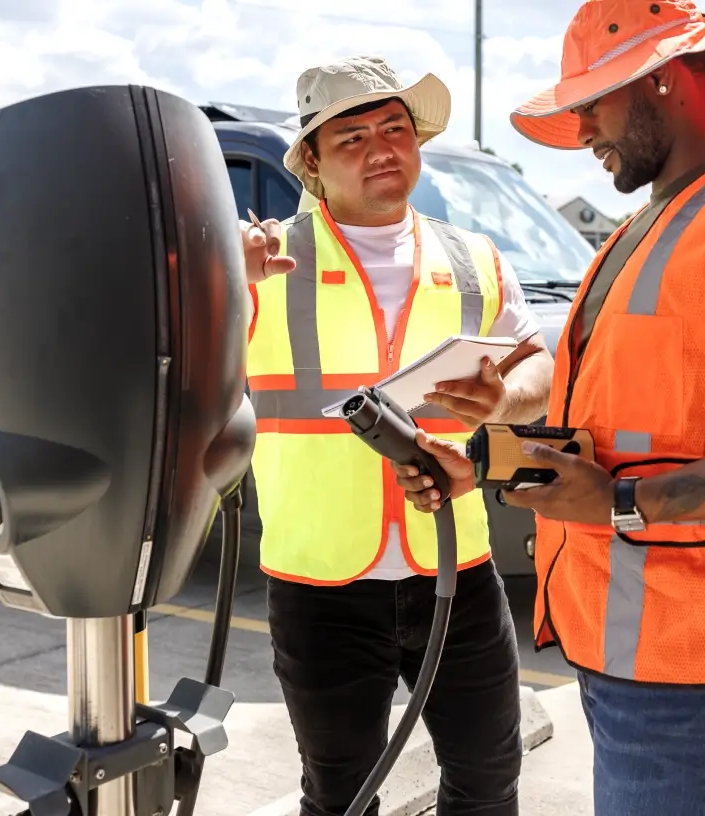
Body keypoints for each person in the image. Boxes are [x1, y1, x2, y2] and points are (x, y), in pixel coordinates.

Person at [391, 2, 705, 814]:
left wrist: (624, 503)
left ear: (664, 77)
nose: (582, 126)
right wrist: (489, 440)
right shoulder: (643, 229)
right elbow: (598, 393)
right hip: (639, 643)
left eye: (595, 100)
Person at [238, 55, 554, 816]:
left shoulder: (474, 258)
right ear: (311, 161)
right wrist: (225, 282)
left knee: (487, 785)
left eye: (395, 129)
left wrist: (503, 399)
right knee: (342, 798)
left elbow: (536, 366)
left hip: (456, 567)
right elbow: (177, 363)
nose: (382, 149)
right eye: (352, 137)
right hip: (322, 584)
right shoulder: (262, 261)